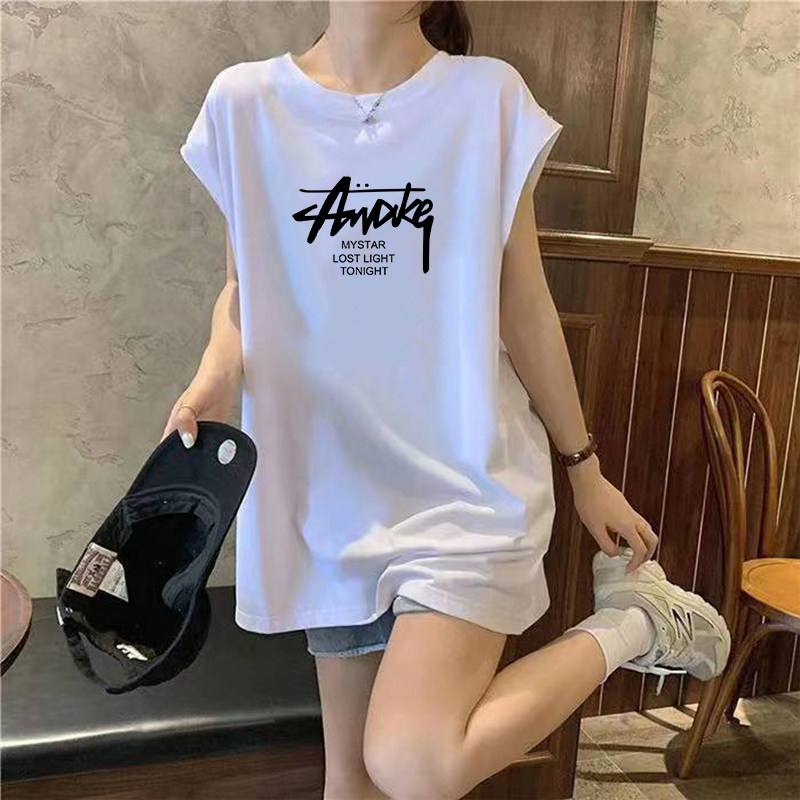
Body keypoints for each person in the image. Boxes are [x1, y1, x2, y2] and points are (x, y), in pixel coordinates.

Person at [163, 3, 730, 798]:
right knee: (351, 780)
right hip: (327, 500)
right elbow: (241, 287)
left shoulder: (485, 99)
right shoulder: (244, 104)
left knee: (414, 760)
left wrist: (584, 470)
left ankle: (636, 620)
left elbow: (523, 306)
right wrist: (216, 374)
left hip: (466, 487)